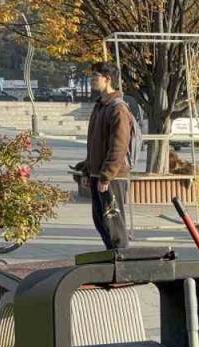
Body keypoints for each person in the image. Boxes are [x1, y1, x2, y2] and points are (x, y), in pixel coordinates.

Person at [84, 61, 133, 249]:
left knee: (113, 222)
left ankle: (121, 259)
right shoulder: (101, 106)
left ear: (108, 79)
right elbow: (94, 143)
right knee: (101, 221)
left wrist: (106, 175)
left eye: (95, 77)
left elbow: (119, 146)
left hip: (112, 176)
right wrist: (89, 172)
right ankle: (112, 256)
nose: (92, 80)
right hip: (99, 174)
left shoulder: (117, 108)